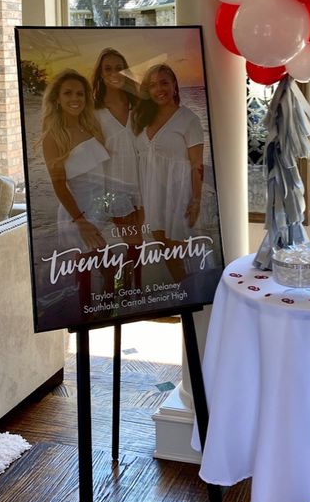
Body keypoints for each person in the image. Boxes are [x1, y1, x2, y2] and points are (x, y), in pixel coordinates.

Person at [41, 69, 109, 311]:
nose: (75, 98)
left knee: (108, 271)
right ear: (57, 98)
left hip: (101, 209)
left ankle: (107, 316)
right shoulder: (53, 137)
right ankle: (86, 322)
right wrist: (81, 221)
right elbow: (58, 185)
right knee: (86, 277)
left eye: (80, 93)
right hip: (78, 214)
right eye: (68, 93)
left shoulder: (91, 127)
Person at [132, 64, 204, 282]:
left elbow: (196, 165)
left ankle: (189, 297)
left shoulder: (189, 120)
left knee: (178, 254)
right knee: (165, 251)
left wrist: (196, 201)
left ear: (174, 86)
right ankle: (183, 294)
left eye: (164, 82)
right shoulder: (142, 119)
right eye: (152, 85)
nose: (159, 89)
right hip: (152, 195)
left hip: (178, 195)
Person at [91, 48, 144, 283]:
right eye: (108, 68)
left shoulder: (139, 106)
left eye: (118, 68)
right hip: (110, 185)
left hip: (140, 184)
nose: (114, 73)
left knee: (137, 243)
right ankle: (121, 285)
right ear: (101, 75)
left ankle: (132, 291)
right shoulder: (93, 111)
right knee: (129, 242)